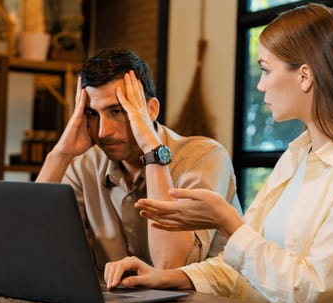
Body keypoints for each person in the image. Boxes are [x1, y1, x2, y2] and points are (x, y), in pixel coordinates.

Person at [103, 3, 333, 303]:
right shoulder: (297, 157)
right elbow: (243, 268)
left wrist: (227, 221)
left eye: (266, 70)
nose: (260, 85)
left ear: (304, 76)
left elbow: (317, 298)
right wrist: (166, 277)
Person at [36, 48, 241, 270]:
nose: (103, 131)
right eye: (92, 114)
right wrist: (60, 154)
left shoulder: (204, 157)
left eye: (116, 111)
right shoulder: (85, 165)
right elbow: (30, 241)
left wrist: (151, 149)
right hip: (121, 302)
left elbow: (171, 264)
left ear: (151, 110)